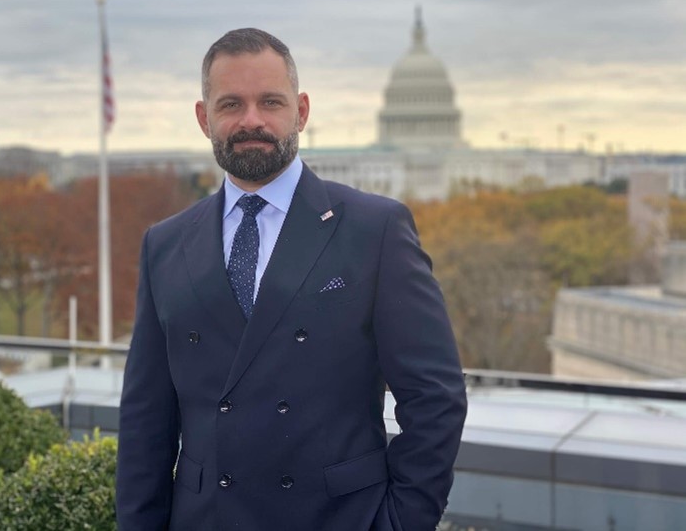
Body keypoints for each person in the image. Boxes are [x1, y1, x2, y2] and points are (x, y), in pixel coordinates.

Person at [116, 28, 467, 531]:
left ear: (301, 111)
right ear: (204, 117)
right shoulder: (165, 244)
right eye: (231, 103)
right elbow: (145, 421)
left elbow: (435, 397)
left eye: (271, 102)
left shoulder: (375, 230)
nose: (251, 120)